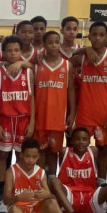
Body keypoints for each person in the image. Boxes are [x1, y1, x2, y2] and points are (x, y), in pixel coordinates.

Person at [4, 138, 89, 213]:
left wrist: (47, 195)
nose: (30, 160)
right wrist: (18, 197)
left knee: (52, 202)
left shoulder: (41, 172)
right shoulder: (11, 171)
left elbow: (51, 196)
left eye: (34, 157)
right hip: (20, 211)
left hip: (37, 211)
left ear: (38, 156)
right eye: (27, 156)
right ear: (21, 154)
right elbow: (5, 200)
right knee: (13, 210)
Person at [0, 36, 35, 206]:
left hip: (23, 120)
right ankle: (2, 187)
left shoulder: (28, 72)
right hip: (5, 119)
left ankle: (18, 186)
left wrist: (32, 122)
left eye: (16, 50)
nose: (13, 53)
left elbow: (32, 99)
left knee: (20, 156)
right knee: (2, 155)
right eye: (9, 50)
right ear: (3, 52)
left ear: (21, 52)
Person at [75, 22, 107, 182]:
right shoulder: (82, 57)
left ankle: (102, 182)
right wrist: (85, 49)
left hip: (104, 114)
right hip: (84, 113)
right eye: (94, 34)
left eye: (101, 35)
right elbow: (65, 60)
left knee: (103, 149)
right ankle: (82, 179)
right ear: (89, 36)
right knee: (80, 149)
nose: (97, 38)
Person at [34, 31, 75, 175]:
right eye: (50, 42)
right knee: (41, 150)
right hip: (40, 115)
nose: (54, 45)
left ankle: (52, 177)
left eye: (57, 42)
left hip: (58, 116)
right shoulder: (37, 65)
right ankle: (40, 177)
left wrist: (72, 113)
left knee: (54, 151)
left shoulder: (67, 65)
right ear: (44, 45)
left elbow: (71, 91)